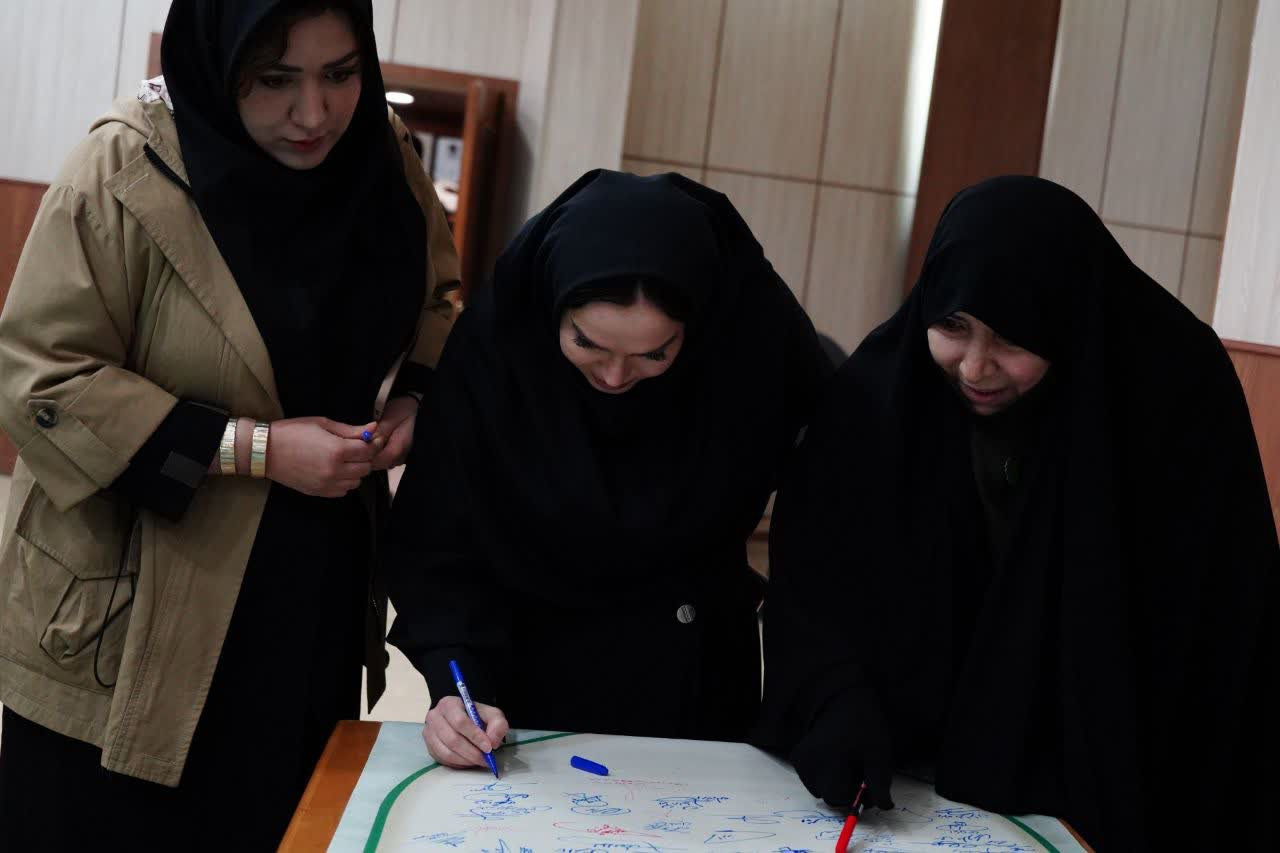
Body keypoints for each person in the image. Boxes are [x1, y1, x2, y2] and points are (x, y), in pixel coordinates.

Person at [0, 1, 458, 848]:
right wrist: (255, 449)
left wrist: (415, 399)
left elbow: (439, 298)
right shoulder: (124, 164)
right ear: (219, 63)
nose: (314, 113)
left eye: (342, 74)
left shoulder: (382, 159)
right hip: (129, 616)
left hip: (309, 592)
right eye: (275, 80)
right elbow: (39, 377)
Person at [753, 175, 1279, 851]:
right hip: (910, 796)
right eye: (952, 326)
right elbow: (813, 588)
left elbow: (1211, 635)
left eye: (1012, 338)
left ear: (1067, 322)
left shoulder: (1168, 402)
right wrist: (835, 697)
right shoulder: (884, 399)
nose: (975, 368)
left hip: (1103, 794)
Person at [386, 170, 833, 770]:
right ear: (551, 307)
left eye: (654, 353)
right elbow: (438, 540)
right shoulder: (497, 360)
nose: (616, 377)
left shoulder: (745, 362)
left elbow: (833, 521)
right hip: (525, 689)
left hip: (696, 680)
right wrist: (454, 684)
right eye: (588, 344)